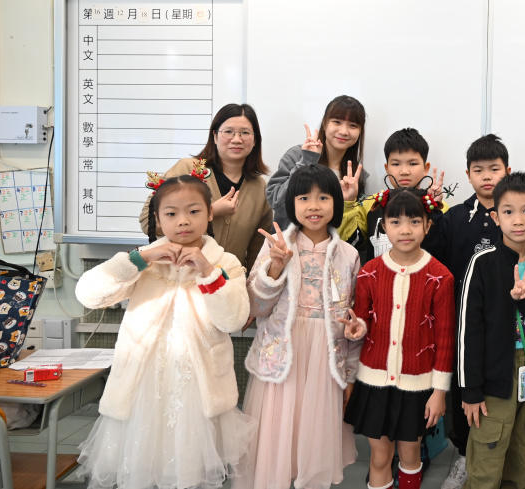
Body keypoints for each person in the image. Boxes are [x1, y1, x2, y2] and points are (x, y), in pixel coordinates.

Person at [77, 171, 255, 489]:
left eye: (193, 211)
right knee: (141, 468)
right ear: (158, 220)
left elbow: (233, 320)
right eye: (171, 214)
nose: (183, 221)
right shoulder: (143, 262)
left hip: (197, 386)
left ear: (210, 213)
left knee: (190, 469)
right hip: (143, 383)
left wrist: (207, 270)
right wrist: (140, 259)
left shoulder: (224, 262)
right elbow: (89, 295)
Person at [421, 134, 525, 489]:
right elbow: (434, 258)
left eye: (494, 169)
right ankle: (465, 455)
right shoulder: (455, 217)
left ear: (507, 170)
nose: (487, 176)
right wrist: (431, 212)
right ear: (468, 174)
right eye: (479, 170)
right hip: (470, 325)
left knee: (513, 429)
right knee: (471, 401)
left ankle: (499, 466)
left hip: (519, 338)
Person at [238, 164, 363, 489]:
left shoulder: (348, 254)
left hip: (325, 357)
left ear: (336, 202)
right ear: (292, 202)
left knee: (314, 435)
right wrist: (275, 267)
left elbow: (352, 317)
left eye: (323, 197)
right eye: (304, 198)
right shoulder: (277, 246)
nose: (313, 206)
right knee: (277, 436)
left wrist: (350, 372)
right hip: (283, 351)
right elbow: (256, 306)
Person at [340, 188, 455, 489]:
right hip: (374, 381)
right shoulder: (369, 271)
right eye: (396, 222)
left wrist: (439, 392)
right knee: (379, 457)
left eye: (414, 222)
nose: (405, 230)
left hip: (418, 386)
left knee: (410, 453)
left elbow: (445, 338)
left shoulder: (440, 276)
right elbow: (362, 319)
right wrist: (357, 328)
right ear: (384, 226)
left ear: (427, 226)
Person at [458, 172, 525, 489]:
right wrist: (470, 390)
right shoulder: (482, 263)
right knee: (487, 460)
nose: (518, 220)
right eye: (508, 211)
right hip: (493, 377)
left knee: (524, 458)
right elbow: (468, 331)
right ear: (495, 217)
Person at [139, 102, 272, 270]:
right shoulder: (186, 170)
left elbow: (258, 250)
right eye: (228, 132)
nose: (237, 139)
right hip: (180, 277)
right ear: (215, 136)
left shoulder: (260, 188)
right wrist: (211, 211)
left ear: (254, 140)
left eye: (245, 133)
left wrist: (251, 283)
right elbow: (148, 223)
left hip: (229, 280)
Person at [266, 95, 372, 242]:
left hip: (330, 252)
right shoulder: (297, 156)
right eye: (337, 122)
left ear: (360, 131)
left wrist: (349, 203)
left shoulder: (356, 175)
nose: (344, 131)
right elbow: (279, 205)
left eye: (353, 125)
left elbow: (354, 233)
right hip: (288, 249)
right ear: (324, 123)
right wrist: (307, 161)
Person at [340, 127, 447, 261]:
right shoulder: (371, 204)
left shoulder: (439, 206)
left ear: (426, 168)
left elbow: (445, 249)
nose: (404, 171)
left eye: (413, 163)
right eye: (396, 164)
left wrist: (435, 208)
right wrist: (348, 202)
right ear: (387, 168)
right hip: (379, 273)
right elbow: (349, 241)